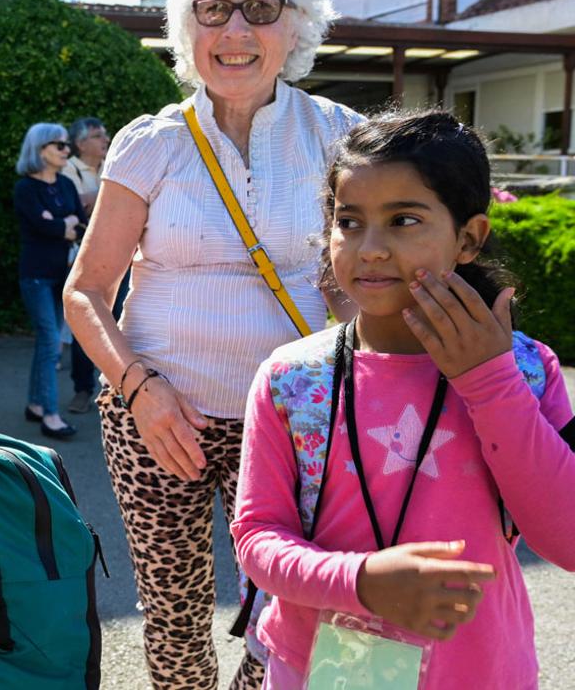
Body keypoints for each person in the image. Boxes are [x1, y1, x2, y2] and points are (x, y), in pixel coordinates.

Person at [63, 0, 363, 690]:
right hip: (159, 414)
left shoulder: (342, 137)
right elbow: (87, 291)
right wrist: (142, 389)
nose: (235, 29)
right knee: (172, 612)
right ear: (185, 24)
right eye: (213, 8)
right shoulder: (149, 141)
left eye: (262, 8)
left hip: (293, 420)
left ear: (297, 23)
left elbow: (357, 286)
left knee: (291, 606)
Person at [231, 112, 575, 689]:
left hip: (479, 671)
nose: (370, 249)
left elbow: (566, 539)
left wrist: (489, 383)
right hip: (321, 668)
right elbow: (258, 538)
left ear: (469, 237)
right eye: (349, 221)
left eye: (404, 220)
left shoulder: (527, 371)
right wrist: (361, 580)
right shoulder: (293, 379)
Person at [15, 122, 85, 440]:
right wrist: (61, 224)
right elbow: (43, 227)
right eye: (59, 145)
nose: (66, 150)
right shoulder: (25, 188)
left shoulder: (66, 185)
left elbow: (79, 223)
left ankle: (35, 404)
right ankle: (52, 415)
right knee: (50, 343)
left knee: (49, 340)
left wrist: (61, 223)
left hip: (62, 274)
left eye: (66, 144)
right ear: (40, 149)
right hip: (37, 275)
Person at [61, 117, 111, 414]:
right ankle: (83, 389)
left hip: (122, 256)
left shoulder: (110, 165)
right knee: (86, 324)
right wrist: (110, 193)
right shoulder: (68, 168)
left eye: (105, 135)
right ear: (80, 143)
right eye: (97, 136)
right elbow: (73, 205)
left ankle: (115, 389)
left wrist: (96, 198)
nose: (105, 140)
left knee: (122, 325)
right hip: (84, 257)